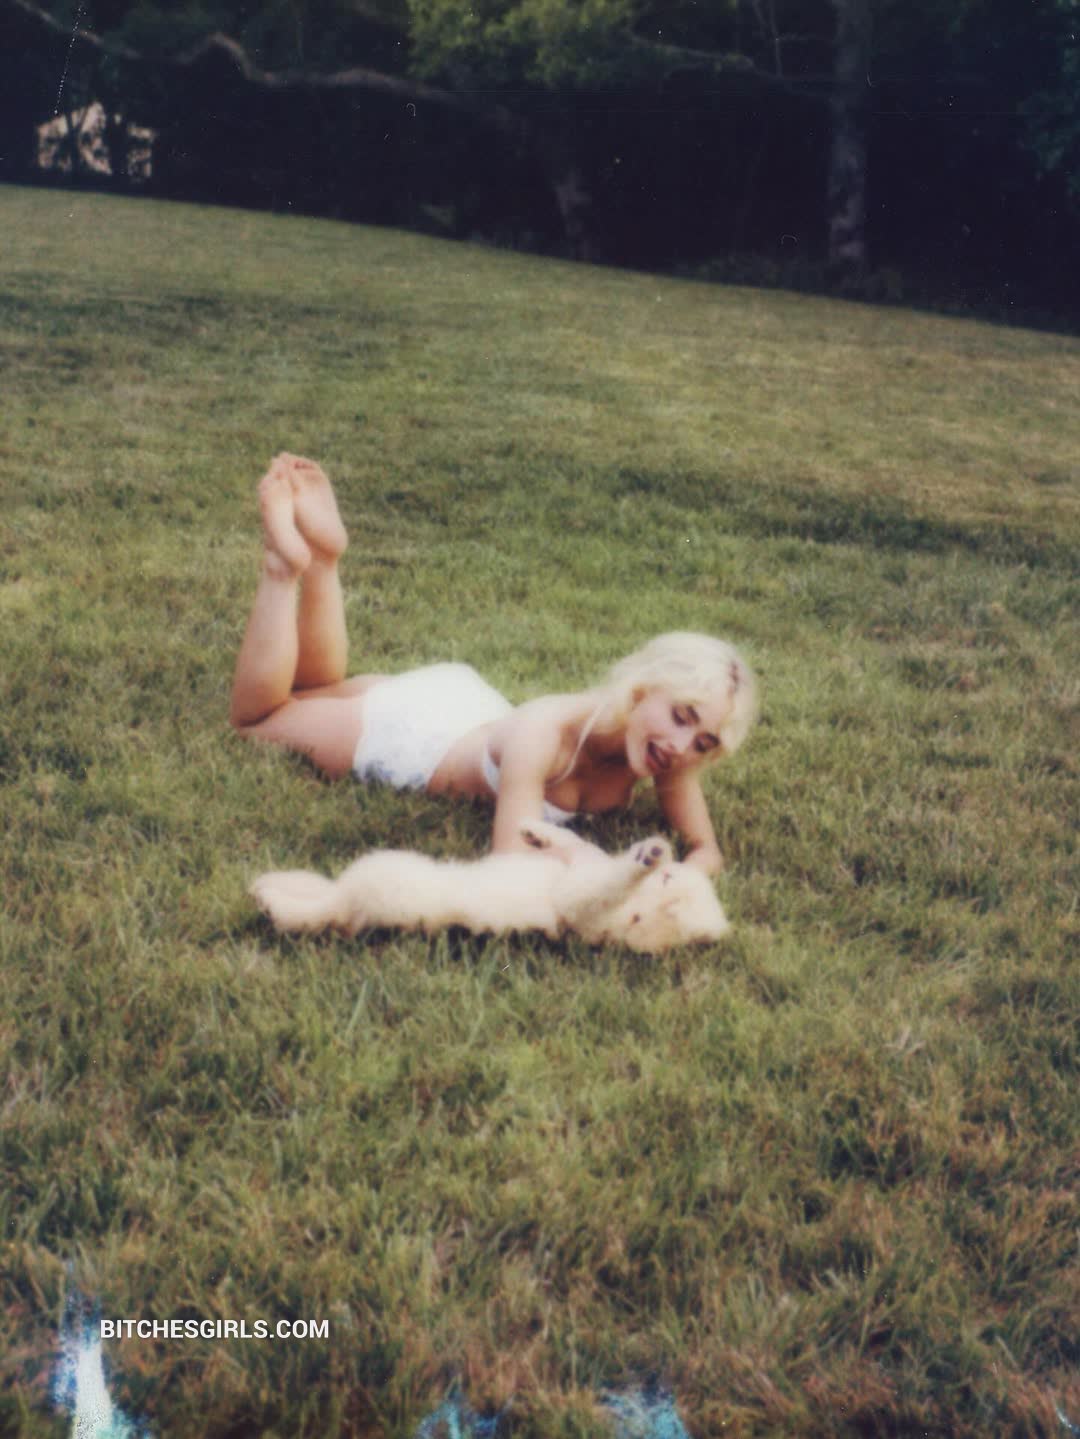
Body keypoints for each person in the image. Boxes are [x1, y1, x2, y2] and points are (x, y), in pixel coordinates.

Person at [230, 454, 758, 875]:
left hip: (468, 706)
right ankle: (284, 568)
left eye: (704, 742)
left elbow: (705, 850)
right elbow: (511, 864)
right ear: (642, 690)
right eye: (682, 717)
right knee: (260, 720)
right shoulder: (547, 734)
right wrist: (606, 870)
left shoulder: (667, 753)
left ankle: (324, 563)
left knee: (317, 691)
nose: (683, 746)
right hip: (417, 738)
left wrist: (683, 876)